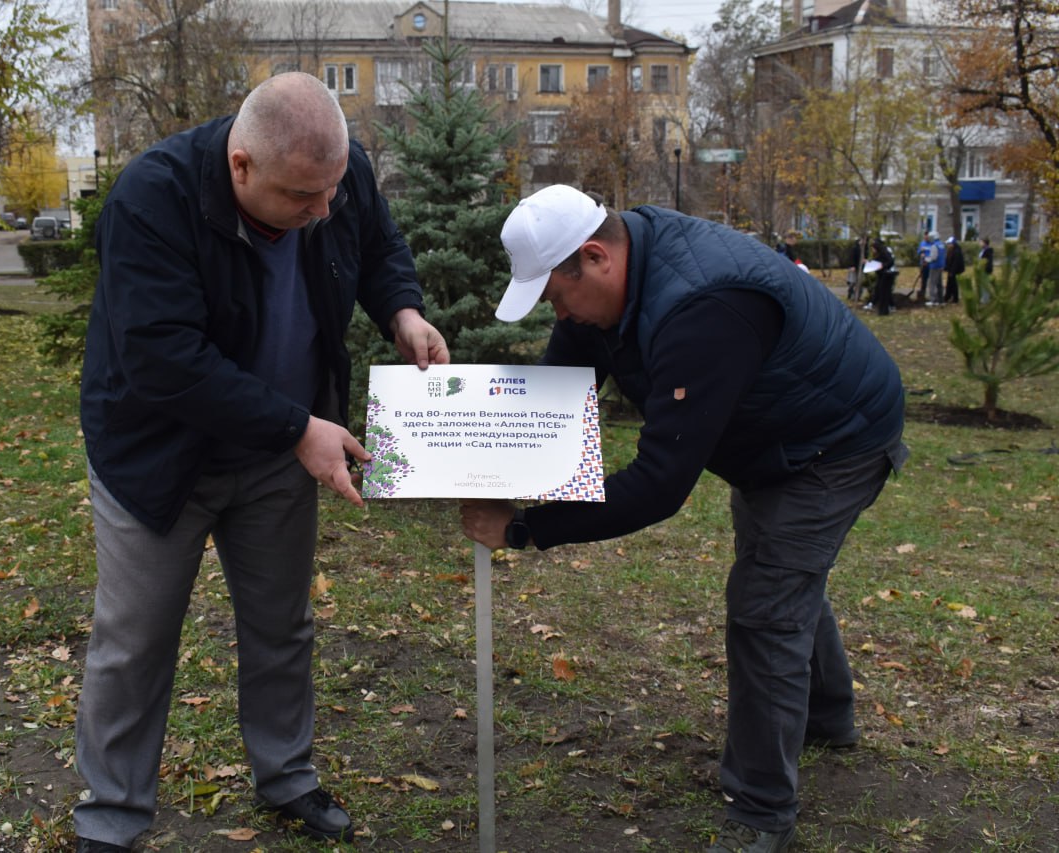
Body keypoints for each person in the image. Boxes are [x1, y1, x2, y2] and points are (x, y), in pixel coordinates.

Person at [460, 185, 907, 853]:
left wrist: (528, 528)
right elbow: (556, 390)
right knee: (779, 568)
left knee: (765, 601)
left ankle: (761, 811)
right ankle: (827, 714)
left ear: (595, 257)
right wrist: (486, 463)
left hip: (835, 439)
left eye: (555, 296)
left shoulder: (704, 307)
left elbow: (659, 485)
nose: (560, 313)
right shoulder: (614, 279)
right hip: (771, 431)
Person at [73, 72, 449, 853]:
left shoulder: (336, 177)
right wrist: (295, 427)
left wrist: (403, 310)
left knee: (282, 624)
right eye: (300, 199)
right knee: (135, 639)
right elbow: (163, 358)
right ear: (240, 166)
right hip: (159, 457)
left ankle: (286, 776)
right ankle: (111, 815)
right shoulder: (153, 198)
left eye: (331, 194)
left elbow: (377, 247)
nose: (320, 214)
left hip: (282, 451)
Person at [870, 237, 898, 316]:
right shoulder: (879, 254)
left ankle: (884, 310)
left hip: (887, 275)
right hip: (882, 274)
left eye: (873, 249)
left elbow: (890, 261)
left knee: (884, 292)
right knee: (880, 291)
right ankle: (882, 309)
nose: (872, 251)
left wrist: (883, 266)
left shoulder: (884, 252)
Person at [923, 231, 946, 305]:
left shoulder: (934, 246)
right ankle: (940, 300)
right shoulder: (941, 244)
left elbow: (933, 257)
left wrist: (926, 259)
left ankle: (933, 300)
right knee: (939, 284)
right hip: (940, 266)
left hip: (934, 266)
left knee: (932, 283)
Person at [944, 236, 965, 304]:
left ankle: (955, 298)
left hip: (955, 271)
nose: (948, 245)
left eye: (949, 244)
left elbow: (955, 263)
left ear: (952, 244)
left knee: (954, 284)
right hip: (951, 270)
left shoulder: (957, 252)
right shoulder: (952, 250)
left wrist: (952, 272)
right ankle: (948, 296)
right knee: (949, 283)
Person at [845, 236, 865, 302]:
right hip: (855, 267)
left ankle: (857, 296)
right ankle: (851, 293)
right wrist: (852, 266)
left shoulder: (863, 249)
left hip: (860, 267)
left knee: (859, 282)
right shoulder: (855, 249)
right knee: (854, 281)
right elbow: (852, 257)